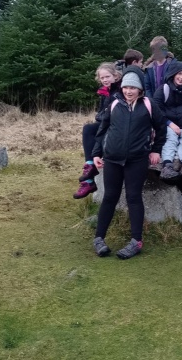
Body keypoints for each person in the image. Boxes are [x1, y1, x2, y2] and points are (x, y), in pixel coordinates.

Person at [91, 66, 167, 259]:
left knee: (133, 197)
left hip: (137, 159)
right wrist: (97, 153)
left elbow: (161, 128)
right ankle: (99, 238)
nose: (128, 91)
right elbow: (102, 129)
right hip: (112, 158)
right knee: (110, 197)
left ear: (140, 89)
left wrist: (156, 150)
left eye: (132, 87)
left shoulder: (149, 105)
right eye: (125, 87)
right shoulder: (115, 104)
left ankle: (136, 241)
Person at [73, 62, 121, 199]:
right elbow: (100, 112)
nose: (105, 80)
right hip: (104, 123)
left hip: (116, 126)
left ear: (115, 76)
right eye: (102, 78)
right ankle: (89, 171)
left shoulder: (120, 90)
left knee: (94, 131)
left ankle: (89, 177)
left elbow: (114, 113)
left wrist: (102, 118)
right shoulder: (105, 91)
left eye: (107, 76)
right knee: (88, 129)